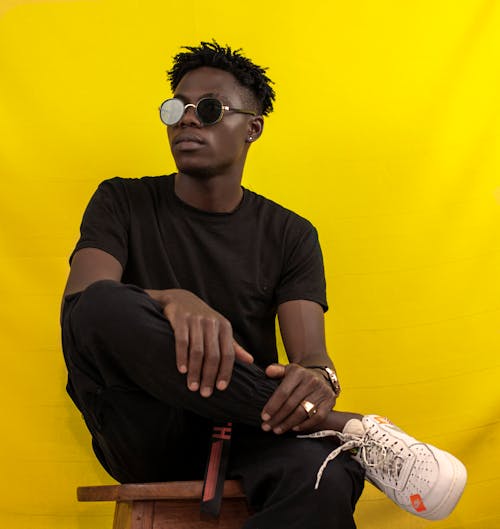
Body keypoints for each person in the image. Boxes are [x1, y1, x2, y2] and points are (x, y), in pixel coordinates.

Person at [61, 41, 466, 528]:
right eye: (177, 108)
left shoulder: (290, 234)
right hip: (144, 425)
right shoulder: (122, 200)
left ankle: (339, 436)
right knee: (100, 305)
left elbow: (313, 360)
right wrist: (172, 299)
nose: (187, 120)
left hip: (248, 429)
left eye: (209, 109)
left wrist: (316, 382)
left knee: (325, 474)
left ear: (252, 128)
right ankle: (345, 429)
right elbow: (82, 308)